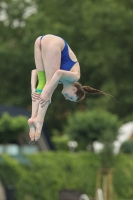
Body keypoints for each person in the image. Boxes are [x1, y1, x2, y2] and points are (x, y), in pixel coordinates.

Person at [28, 34, 109, 142]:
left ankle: (33, 118)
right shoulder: (75, 76)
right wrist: (47, 93)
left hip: (39, 41)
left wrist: (33, 89)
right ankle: (40, 120)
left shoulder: (62, 80)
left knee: (43, 82)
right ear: (74, 89)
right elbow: (58, 72)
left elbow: (34, 72)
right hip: (55, 42)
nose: (66, 98)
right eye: (71, 98)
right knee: (50, 85)